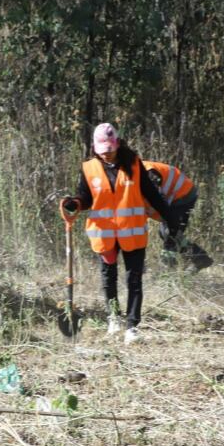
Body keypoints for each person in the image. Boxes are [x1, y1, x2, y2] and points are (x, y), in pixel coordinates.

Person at [61, 124, 173, 345]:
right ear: (94, 147)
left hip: (132, 233)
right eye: (102, 149)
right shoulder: (88, 168)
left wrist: (170, 215)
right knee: (108, 278)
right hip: (104, 234)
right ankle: (113, 317)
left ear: (118, 144)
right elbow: (86, 198)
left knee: (134, 279)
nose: (107, 152)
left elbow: (151, 193)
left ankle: (132, 327)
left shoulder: (134, 164)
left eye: (110, 148)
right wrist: (74, 203)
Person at [143, 160, 213, 271]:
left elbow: (159, 202)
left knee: (170, 233)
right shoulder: (124, 184)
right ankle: (200, 258)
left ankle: (168, 273)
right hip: (171, 198)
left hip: (183, 193)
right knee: (165, 233)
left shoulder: (148, 174)